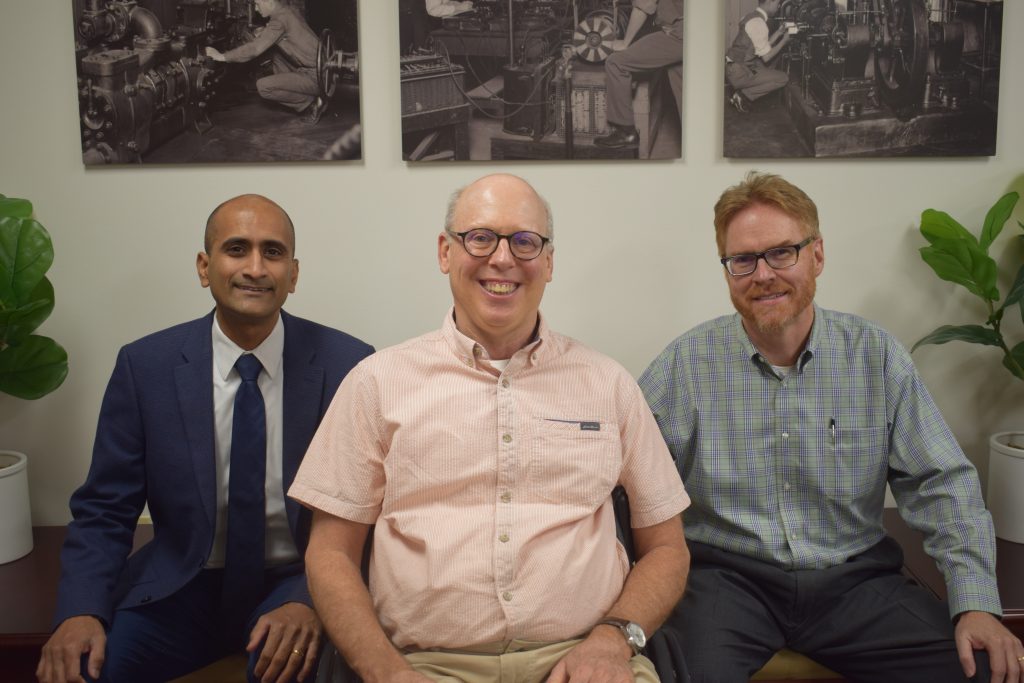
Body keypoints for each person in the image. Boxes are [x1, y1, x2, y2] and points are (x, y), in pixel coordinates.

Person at [290, 173, 691, 683]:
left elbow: (667, 549)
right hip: (424, 666)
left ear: (548, 261)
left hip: (583, 662)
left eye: (525, 241)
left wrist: (614, 641)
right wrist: (387, 673)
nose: (503, 259)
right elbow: (330, 554)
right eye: (480, 237)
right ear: (445, 252)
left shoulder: (608, 384)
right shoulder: (376, 384)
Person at [639, 171, 1024, 683]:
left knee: (976, 671)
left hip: (854, 581)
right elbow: (629, 483)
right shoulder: (686, 365)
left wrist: (975, 602)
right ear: (727, 269)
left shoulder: (876, 355)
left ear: (817, 255)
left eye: (782, 252)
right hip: (725, 581)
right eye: (743, 260)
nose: (763, 274)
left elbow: (940, 483)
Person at [37, 194, 374, 683]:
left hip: (292, 581)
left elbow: (365, 510)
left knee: (286, 673)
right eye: (237, 249)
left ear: (293, 275)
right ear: (204, 265)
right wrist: (79, 611)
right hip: (179, 585)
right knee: (86, 671)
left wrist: (309, 597)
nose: (255, 268)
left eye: (273, 252)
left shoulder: (348, 365)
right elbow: (105, 509)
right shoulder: (146, 366)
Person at [205, 0, 326, 124]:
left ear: (269, 2)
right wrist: (266, 32)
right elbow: (289, 32)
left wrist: (222, 56)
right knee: (276, 54)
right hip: (323, 68)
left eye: (258, 4)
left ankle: (311, 103)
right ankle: (305, 92)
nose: (256, 9)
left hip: (315, 76)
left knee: (263, 87)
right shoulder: (289, 10)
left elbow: (254, 49)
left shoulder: (279, 21)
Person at [594, 0, 683, 150]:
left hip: (678, 34)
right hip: (697, 31)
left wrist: (625, 43)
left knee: (616, 63)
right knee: (682, 86)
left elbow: (643, 7)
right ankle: (699, 144)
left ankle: (626, 132)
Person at [725, 0, 795, 114]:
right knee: (783, 78)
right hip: (738, 72)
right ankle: (743, 95)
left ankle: (742, 90)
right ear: (769, 2)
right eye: (777, 3)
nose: (778, 6)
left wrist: (779, 32)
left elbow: (762, 46)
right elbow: (766, 57)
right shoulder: (759, 23)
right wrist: (784, 41)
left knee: (768, 67)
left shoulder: (751, 17)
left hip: (733, 67)